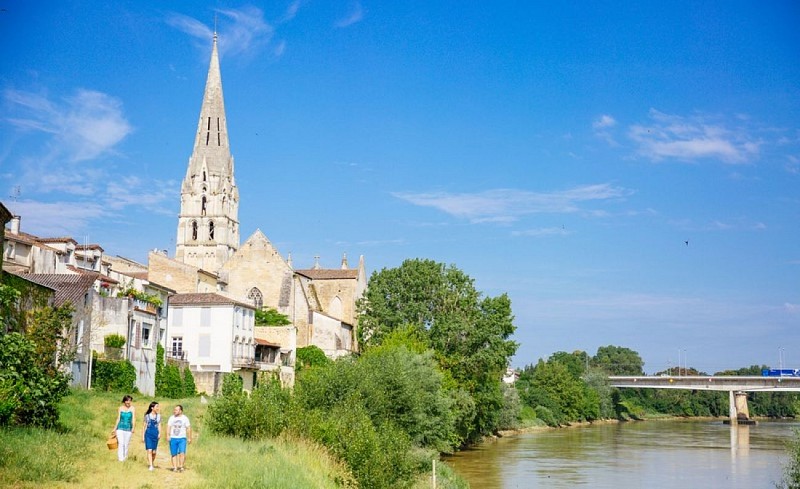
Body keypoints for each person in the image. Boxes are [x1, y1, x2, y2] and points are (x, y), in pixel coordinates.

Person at [166, 404, 192, 472]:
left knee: (182, 453)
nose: (174, 411)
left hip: (182, 438)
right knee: (173, 453)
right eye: (174, 410)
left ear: (180, 411)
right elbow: (168, 427)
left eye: (176, 410)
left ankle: (181, 466)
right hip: (173, 438)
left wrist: (189, 437)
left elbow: (188, 428)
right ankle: (175, 467)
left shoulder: (185, 418)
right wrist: (168, 435)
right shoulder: (171, 418)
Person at [112, 395, 136, 462]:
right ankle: (120, 459)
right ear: (124, 401)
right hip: (120, 428)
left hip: (128, 428)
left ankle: (125, 457)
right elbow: (118, 418)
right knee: (121, 443)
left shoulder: (132, 408)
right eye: (127, 400)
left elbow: (133, 418)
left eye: (130, 400)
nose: (129, 402)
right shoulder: (120, 408)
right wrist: (114, 428)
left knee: (126, 444)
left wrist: (133, 427)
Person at [142, 401, 162, 471]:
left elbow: (159, 425)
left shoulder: (159, 416)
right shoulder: (147, 416)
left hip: (155, 433)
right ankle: (150, 465)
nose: (158, 408)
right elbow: (144, 426)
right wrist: (142, 436)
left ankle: (152, 462)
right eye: (157, 406)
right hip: (148, 434)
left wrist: (159, 433)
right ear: (152, 408)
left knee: (154, 452)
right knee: (149, 450)